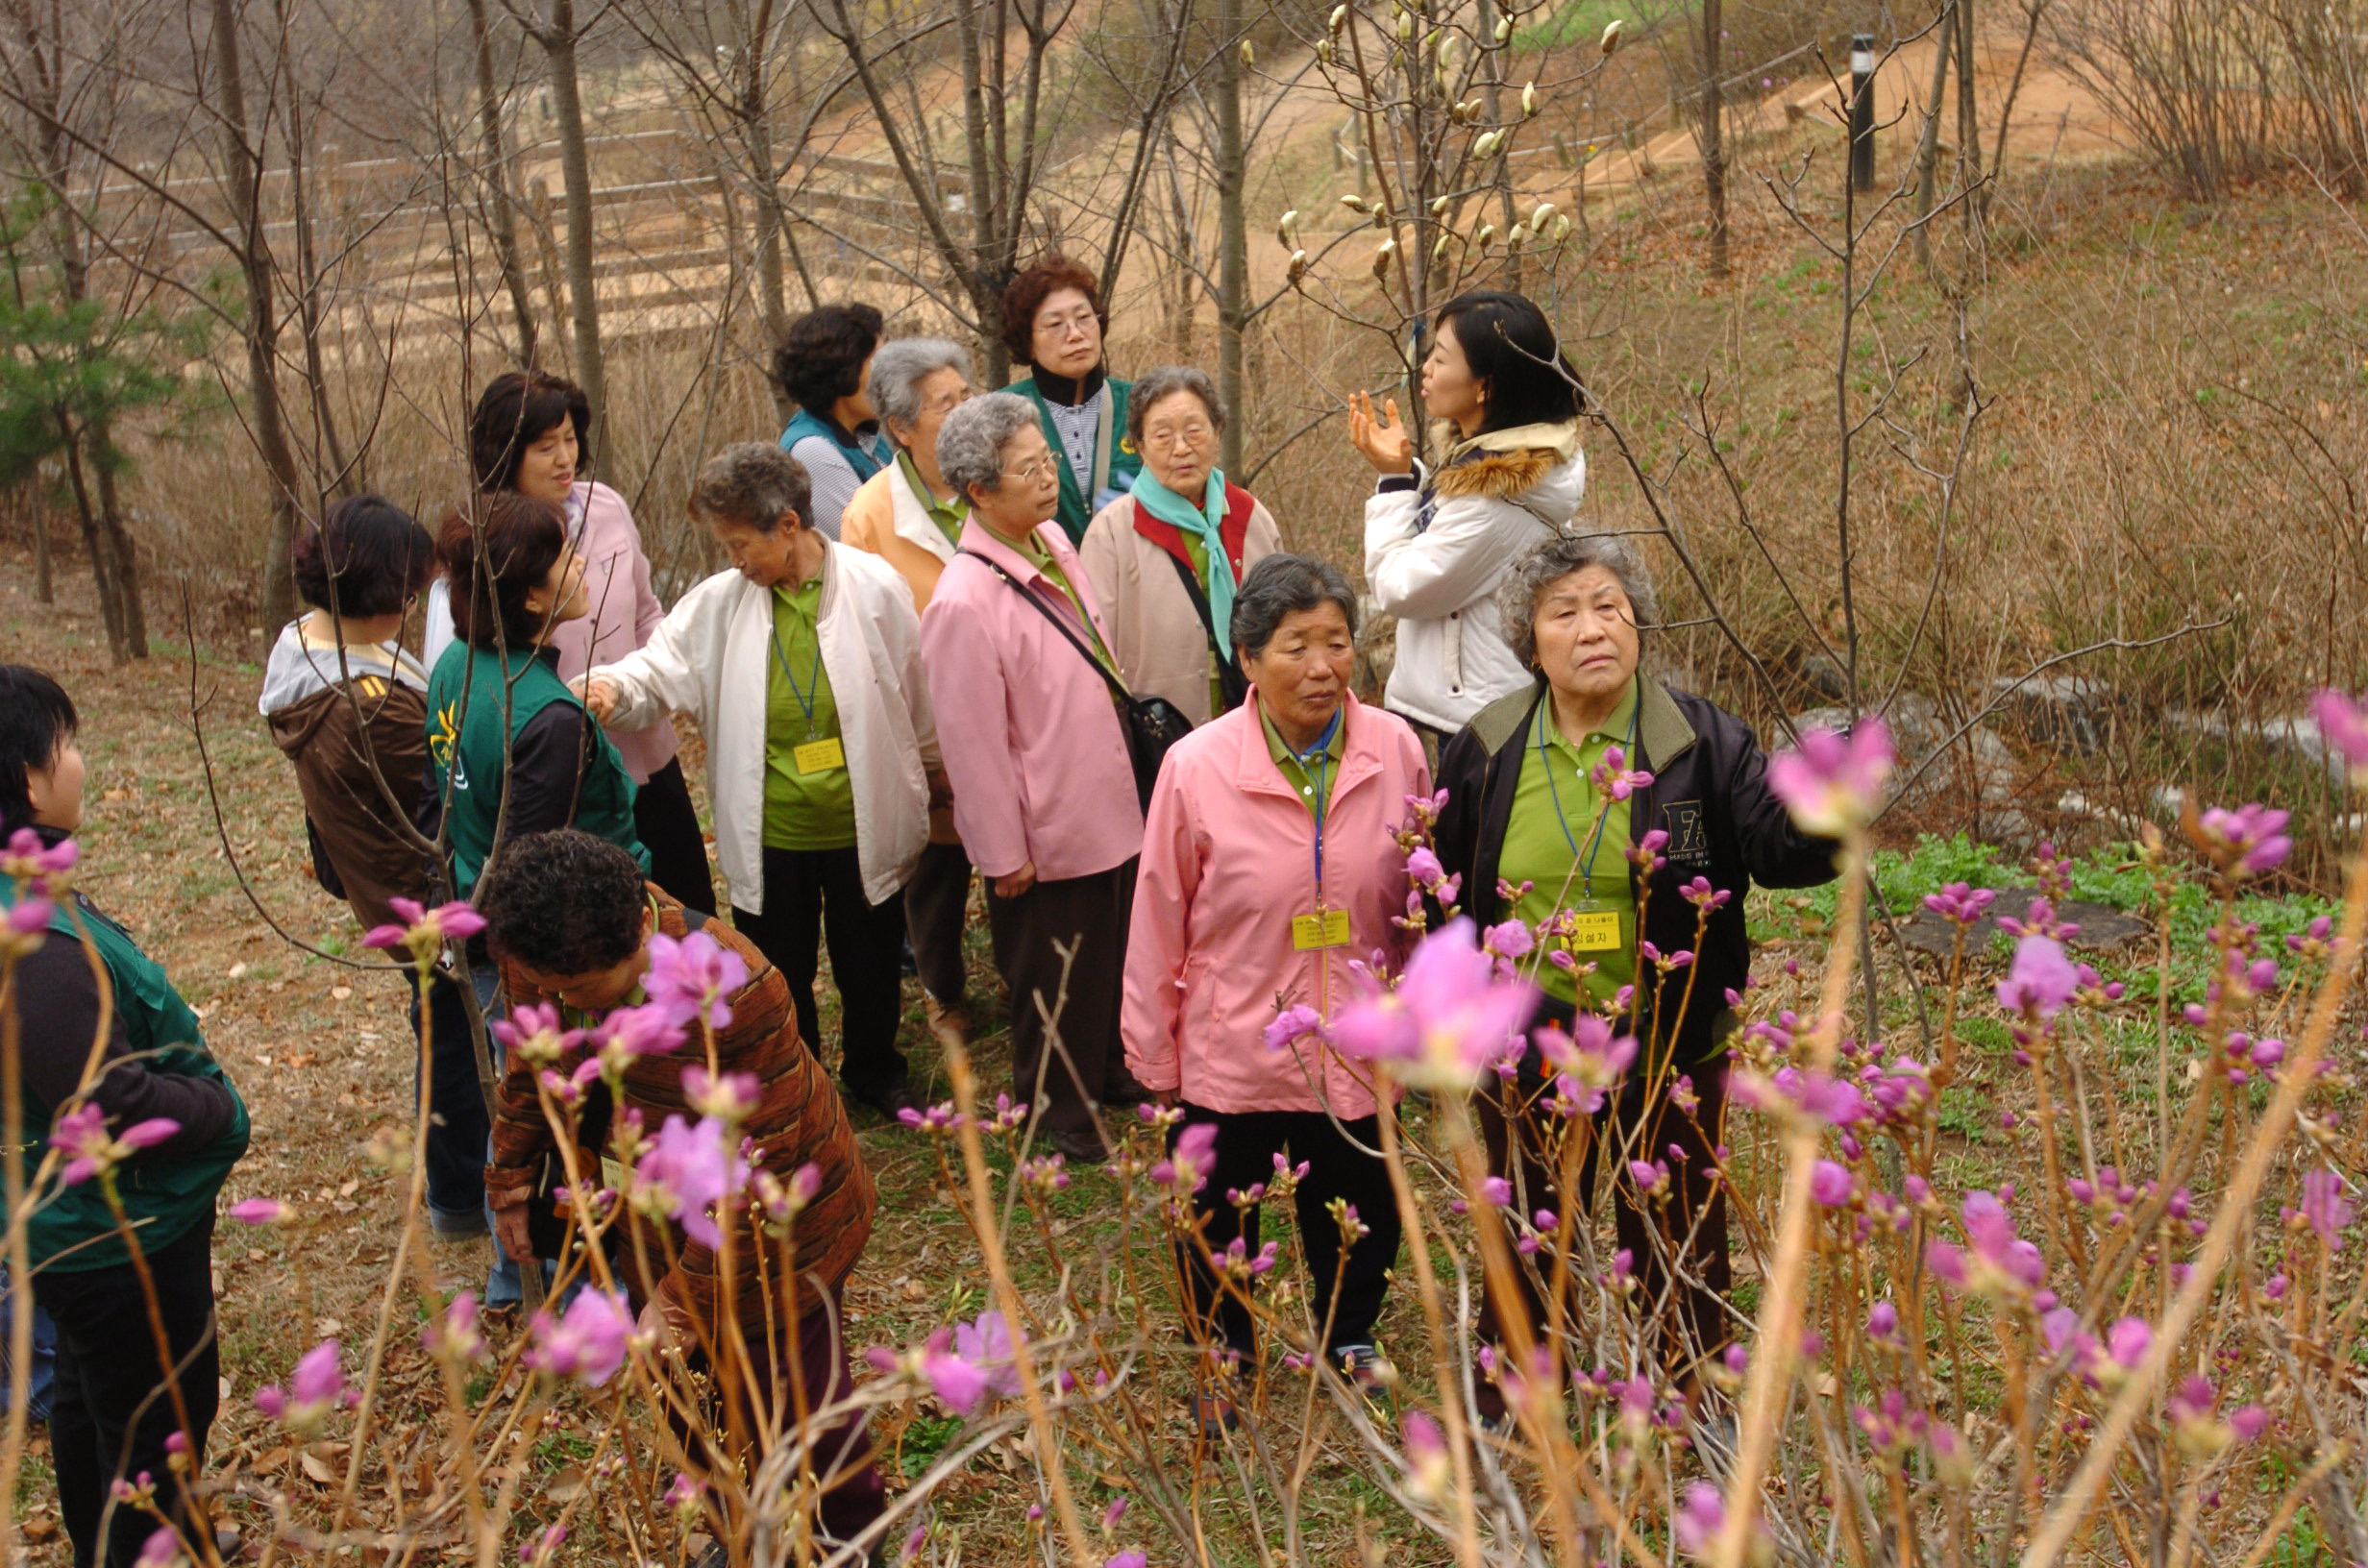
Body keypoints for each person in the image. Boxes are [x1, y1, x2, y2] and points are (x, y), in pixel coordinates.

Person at [1431, 534, 1838, 1411]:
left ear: (1641, 625)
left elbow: (1773, 847)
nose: (1592, 629)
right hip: (1528, 1030)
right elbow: (1450, 883)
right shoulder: (1488, 744)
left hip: (1670, 1028)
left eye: (1610, 606)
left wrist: (1830, 807)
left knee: (1679, 1222)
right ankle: (1518, 1392)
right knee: (1525, 1215)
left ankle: (1694, 1399)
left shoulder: (1701, 741)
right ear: (1528, 638)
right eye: (1564, 611)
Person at [473, 830, 882, 1547]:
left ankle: (844, 1540)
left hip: (778, 1241)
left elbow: (768, 1165)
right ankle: (741, 1535)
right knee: (689, 1401)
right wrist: (509, 1179)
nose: (562, 1003)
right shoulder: (541, 952)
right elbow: (530, 1068)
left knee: (799, 1406)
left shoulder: (736, 985)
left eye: (580, 992)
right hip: (651, 1219)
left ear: (636, 934)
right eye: (549, 987)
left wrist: (681, 1301)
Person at [1122, 555, 1427, 1433]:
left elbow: (1414, 896)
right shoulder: (1195, 764)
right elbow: (1158, 915)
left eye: (1338, 642)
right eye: (1296, 646)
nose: (1324, 666)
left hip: (1357, 1038)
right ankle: (1226, 1353)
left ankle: (1351, 1333)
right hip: (1235, 1041)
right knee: (1220, 1212)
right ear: (1248, 659)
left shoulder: (1395, 747)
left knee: (1360, 1201)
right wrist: (1152, 1048)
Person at [582, 444, 938, 1120]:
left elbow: (915, 693)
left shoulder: (874, 588)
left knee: (868, 962)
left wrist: (932, 772)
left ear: (789, 527)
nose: (734, 559)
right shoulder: (718, 604)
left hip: (864, 820)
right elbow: (657, 672)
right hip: (774, 832)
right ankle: (793, 1077)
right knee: (778, 969)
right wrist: (609, 689)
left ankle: (875, 1070)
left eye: (740, 542)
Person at [1, 666, 250, 1568]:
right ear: (28, 780)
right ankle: (138, 1545)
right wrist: (214, 1106)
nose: (80, 760)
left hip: (76, 1223)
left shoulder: (25, 902)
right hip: (116, 1231)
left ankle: (125, 1535)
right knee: (158, 1414)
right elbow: (100, 1099)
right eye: (67, 743)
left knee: (91, 1391)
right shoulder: (34, 950)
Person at [921, 393, 1146, 1164]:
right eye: (1028, 470)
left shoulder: (1050, 536)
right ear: (979, 491)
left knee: (1110, 955)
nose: (1048, 479)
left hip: (1103, 794)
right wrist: (1000, 852)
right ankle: (1061, 1116)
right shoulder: (962, 600)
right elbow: (972, 744)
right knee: (1054, 978)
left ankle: (1111, 1071)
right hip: (1046, 826)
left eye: (1047, 461)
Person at [259, 496, 489, 1237]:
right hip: (421, 891)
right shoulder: (368, 707)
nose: (416, 605)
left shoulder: (303, 642)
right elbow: (451, 784)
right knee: (453, 1040)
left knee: (442, 1027)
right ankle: (458, 1198)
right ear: (379, 591)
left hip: (383, 883)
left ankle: (457, 1187)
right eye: (410, 591)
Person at [426, 371, 714, 914]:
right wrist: (558, 721)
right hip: (556, 766)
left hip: (643, 744)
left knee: (685, 910)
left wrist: (664, 686)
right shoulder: (483, 545)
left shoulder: (605, 506)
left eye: (570, 439)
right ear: (506, 454)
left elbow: (648, 613)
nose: (565, 458)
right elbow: (472, 681)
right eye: (544, 446)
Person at [1351, 289, 1588, 760]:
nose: (1427, 370)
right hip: (1486, 703)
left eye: (1441, 359)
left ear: (1485, 385)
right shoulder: (1504, 456)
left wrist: (1395, 484)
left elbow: (1400, 589)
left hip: (1476, 721)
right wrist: (1411, 475)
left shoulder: (1494, 496)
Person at [838, 337, 977, 1050]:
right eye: (945, 403)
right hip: (928, 715)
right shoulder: (869, 515)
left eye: (965, 395)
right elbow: (866, 642)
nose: (962, 411)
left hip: (1005, 703)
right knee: (939, 866)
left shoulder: (995, 478)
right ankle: (942, 987)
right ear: (900, 426)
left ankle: (1025, 973)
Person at [428, 490, 649, 898]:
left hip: (464, 893)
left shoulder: (454, 664)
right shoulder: (551, 723)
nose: (580, 562)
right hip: (576, 925)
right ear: (531, 597)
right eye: (565, 558)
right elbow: (520, 877)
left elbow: (439, 797)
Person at [1079, 365, 1281, 725]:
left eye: (1194, 431)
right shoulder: (1112, 532)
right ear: (1139, 446)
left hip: (1257, 718)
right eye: (1162, 435)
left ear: (1218, 433)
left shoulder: (1250, 516)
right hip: (1162, 727)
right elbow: (1095, 652)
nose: (1182, 448)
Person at [1000, 256, 1141, 542]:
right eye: (1055, 325)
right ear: (1027, 343)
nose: (1076, 335)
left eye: (1084, 318)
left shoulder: (1141, 405)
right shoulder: (1002, 416)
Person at [775, 304, 890, 540]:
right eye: (878, 364)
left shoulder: (867, 437)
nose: (891, 376)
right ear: (844, 370)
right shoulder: (813, 452)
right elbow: (867, 545)